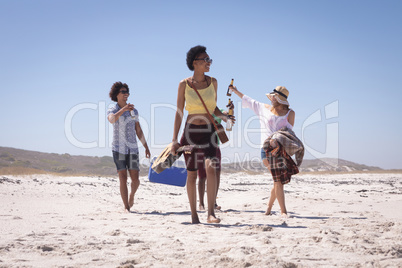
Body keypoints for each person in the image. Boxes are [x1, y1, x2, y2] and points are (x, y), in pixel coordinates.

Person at [171, 45, 231, 224]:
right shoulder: (184, 84)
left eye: (209, 60)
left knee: (211, 167)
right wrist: (174, 139)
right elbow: (179, 112)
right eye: (206, 60)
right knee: (192, 174)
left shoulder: (213, 82)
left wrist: (225, 116)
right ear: (195, 63)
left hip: (209, 131)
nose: (209, 63)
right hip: (190, 132)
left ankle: (211, 213)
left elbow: (213, 108)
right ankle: (194, 215)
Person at [229, 85, 300, 218]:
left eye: (274, 96)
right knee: (278, 181)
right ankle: (283, 211)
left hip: (281, 150)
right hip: (266, 150)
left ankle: (268, 209)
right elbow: (248, 100)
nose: (271, 98)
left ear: (279, 98)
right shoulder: (264, 108)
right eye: (272, 96)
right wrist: (235, 90)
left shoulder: (291, 113)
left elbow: (288, 133)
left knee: (277, 180)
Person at [107, 81, 151, 213]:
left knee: (135, 179)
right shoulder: (112, 109)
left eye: (127, 92)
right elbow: (112, 119)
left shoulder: (134, 111)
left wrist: (146, 146)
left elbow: (138, 129)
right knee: (123, 177)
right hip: (118, 148)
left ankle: (132, 195)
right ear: (116, 94)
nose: (126, 94)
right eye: (123, 92)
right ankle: (126, 207)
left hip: (132, 148)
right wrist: (123, 110)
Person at [197, 109, 225, 211]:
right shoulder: (199, 111)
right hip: (201, 147)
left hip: (215, 146)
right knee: (202, 176)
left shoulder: (218, 111)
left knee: (217, 173)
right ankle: (201, 203)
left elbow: (226, 115)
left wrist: (232, 110)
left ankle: (213, 202)